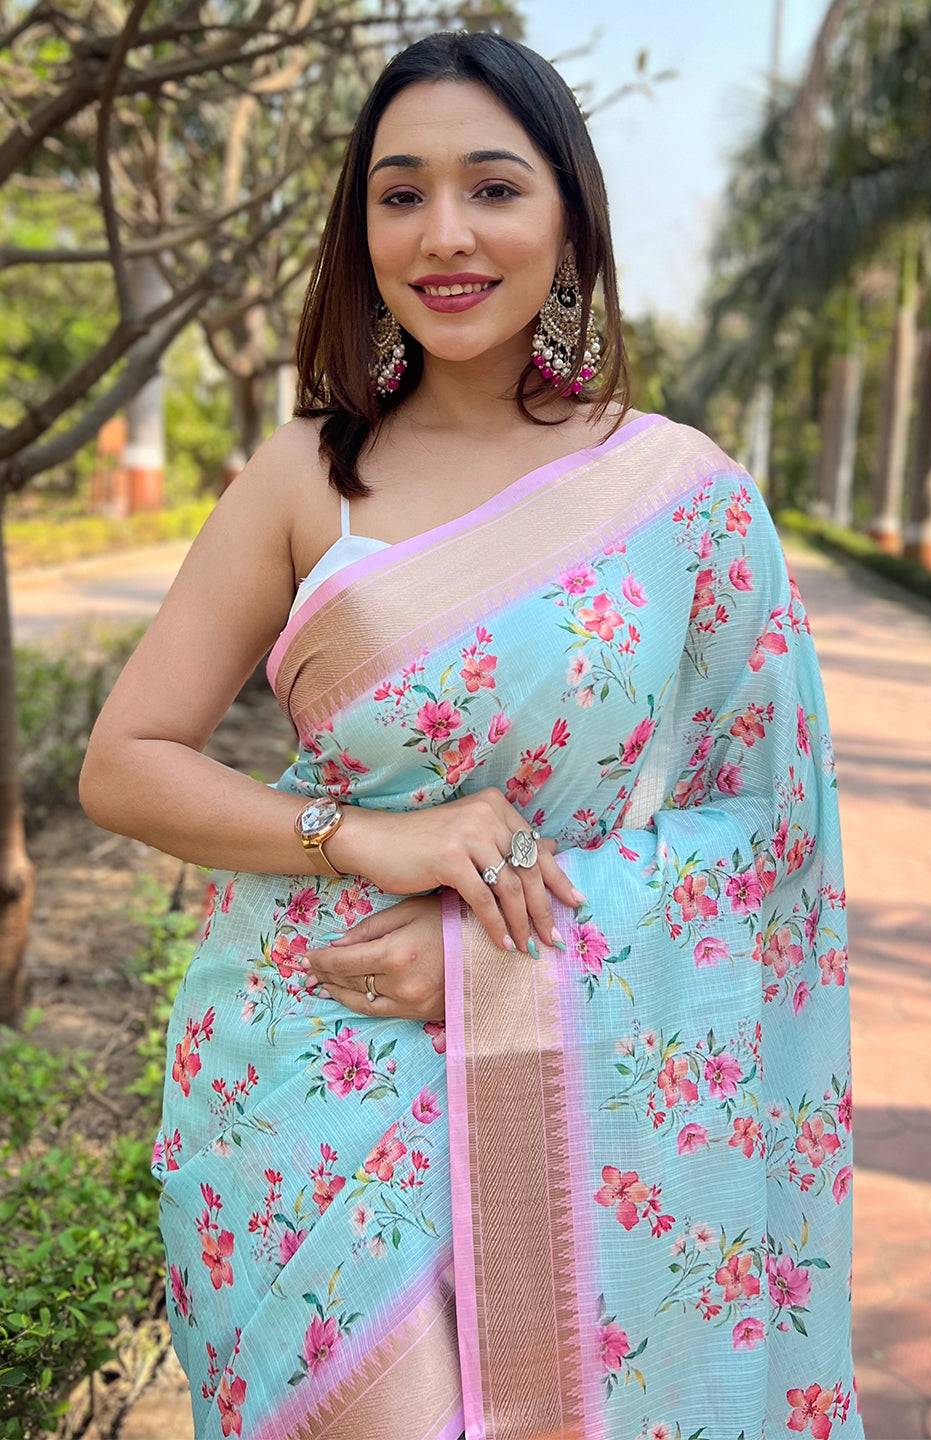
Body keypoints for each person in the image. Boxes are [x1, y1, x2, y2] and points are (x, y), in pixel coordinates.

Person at [79, 29, 864, 1440]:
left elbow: (774, 837)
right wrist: (371, 836)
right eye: (400, 193)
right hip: (296, 1067)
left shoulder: (683, 500)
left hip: (554, 1055)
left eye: (493, 189)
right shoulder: (308, 474)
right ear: (360, 227)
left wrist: (488, 965)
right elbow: (125, 759)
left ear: (568, 220)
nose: (444, 234)